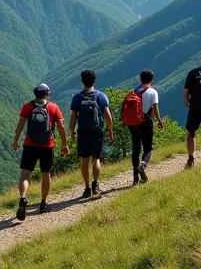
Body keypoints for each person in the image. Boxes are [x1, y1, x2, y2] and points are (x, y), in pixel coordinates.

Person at [12, 82, 69, 219]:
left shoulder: (27, 107)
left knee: (25, 175)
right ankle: (43, 203)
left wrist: (15, 141)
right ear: (47, 93)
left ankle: (23, 197)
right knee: (46, 175)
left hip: (30, 145)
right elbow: (61, 127)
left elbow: (20, 125)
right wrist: (65, 144)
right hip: (47, 146)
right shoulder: (53, 107)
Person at [69, 69, 114, 199]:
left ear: (82, 81)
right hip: (97, 131)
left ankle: (87, 187)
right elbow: (107, 115)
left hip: (83, 132)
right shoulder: (101, 96)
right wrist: (110, 130)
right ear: (95, 80)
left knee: (84, 160)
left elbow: (73, 117)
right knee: (96, 159)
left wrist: (72, 131)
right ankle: (95, 184)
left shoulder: (77, 98)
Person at [122, 69, 163, 185]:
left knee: (136, 148)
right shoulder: (152, 92)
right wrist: (159, 121)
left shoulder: (134, 92)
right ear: (152, 79)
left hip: (132, 123)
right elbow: (155, 109)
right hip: (145, 122)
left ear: (140, 79)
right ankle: (143, 165)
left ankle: (135, 178)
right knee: (148, 148)